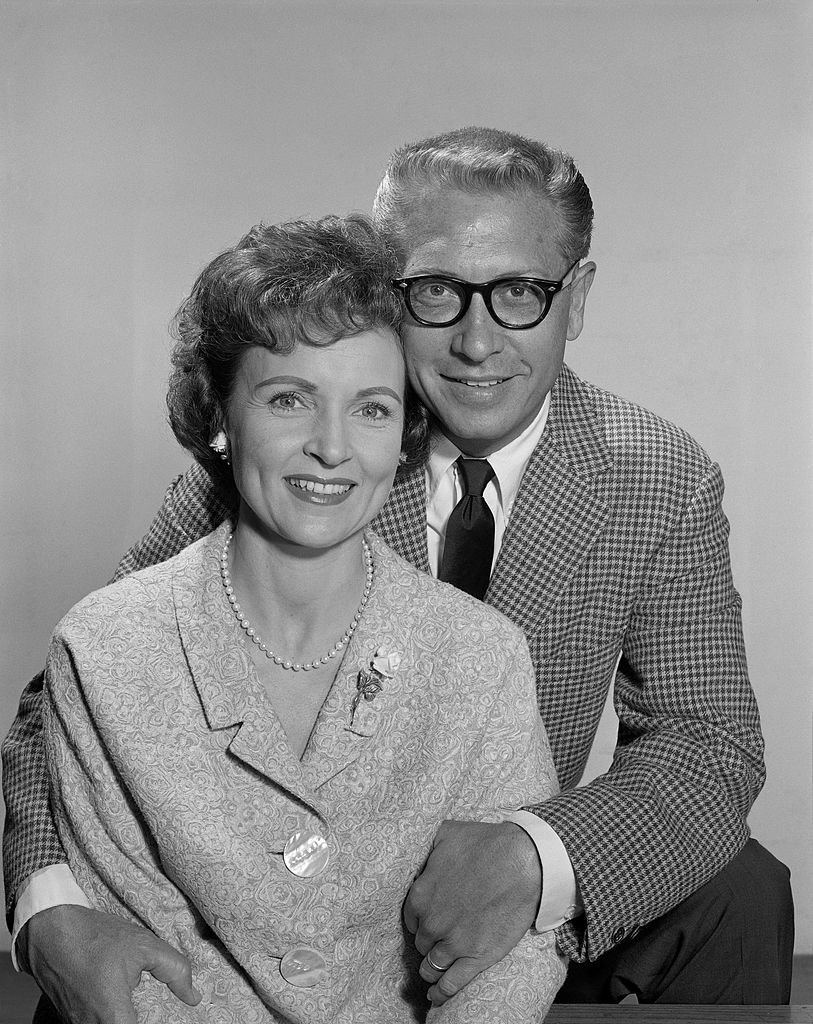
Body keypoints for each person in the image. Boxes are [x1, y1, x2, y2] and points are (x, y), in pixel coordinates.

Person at [3, 127, 794, 1017]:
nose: (475, 341)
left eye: (521, 293)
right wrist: (49, 909)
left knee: (744, 887)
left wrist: (535, 855)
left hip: (492, 895)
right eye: (436, 293)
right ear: (388, 295)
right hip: (264, 901)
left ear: (576, 300)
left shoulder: (658, 476)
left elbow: (709, 743)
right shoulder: (303, 452)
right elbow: (79, 692)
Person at [28, 214, 566, 1023]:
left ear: (406, 434)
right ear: (219, 416)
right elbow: (137, 968)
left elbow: (504, 956)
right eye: (289, 400)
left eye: (372, 410)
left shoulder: (481, 653)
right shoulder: (104, 647)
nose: (331, 447)